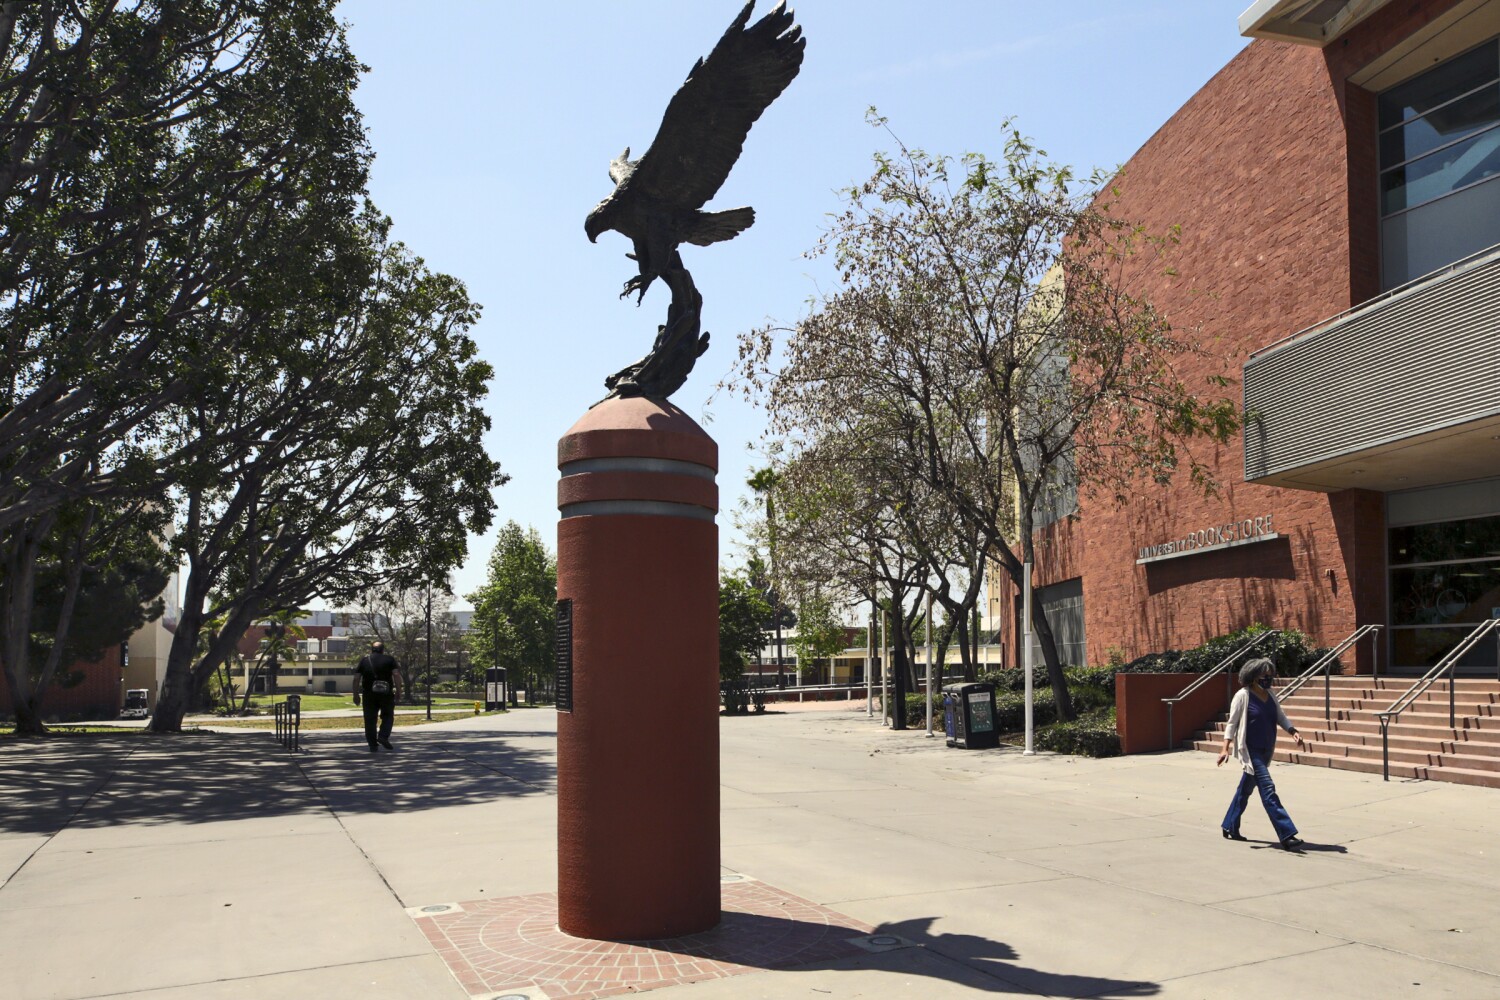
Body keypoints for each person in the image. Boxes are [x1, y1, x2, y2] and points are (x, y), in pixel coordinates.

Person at [1217, 656, 1306, 849]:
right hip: (1251, 751)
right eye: (1265, 675)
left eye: (1270, 675)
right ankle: (1287, 834)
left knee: (1245, 790)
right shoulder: (1243, 695)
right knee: (1268, 790)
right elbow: (1231, 723)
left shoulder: (1271, 694)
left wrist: (1293, 731)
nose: (1269, 679)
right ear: (1254, 676)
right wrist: (1225, 748)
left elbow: (1280, 717)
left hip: (1266, 750)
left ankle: (1229, 825)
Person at [353, 641, 404, 752]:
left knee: (370, 719)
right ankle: (383, 736)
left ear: (371, 649)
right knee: (388, 715)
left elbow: (356, 678)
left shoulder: (364, 660)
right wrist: (399, 691)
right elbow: (396, 674)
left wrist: (355, 694)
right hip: (386, 694)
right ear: (382, 650)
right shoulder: (390, 659)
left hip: (369, 694)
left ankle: (372, 745)